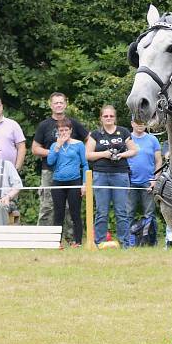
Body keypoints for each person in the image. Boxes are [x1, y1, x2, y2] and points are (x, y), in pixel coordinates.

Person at [32, 92, 89, 231]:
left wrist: (79, 155)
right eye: (55, 102)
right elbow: (35, 149)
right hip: (49, 170)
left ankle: (71, 238)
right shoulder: (44, 125)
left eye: (61, 102)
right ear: (51, 105)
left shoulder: (73, 123)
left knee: (71, 207)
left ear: (66, 104)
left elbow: (89, 139)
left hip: (71, 173)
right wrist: (55, 152)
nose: (58, 105)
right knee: (47, 205)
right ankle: (45, 236)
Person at [85, 105, 137, 248]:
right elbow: (88, 154)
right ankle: (99, 242)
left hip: (120, 174)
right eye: (105, 116)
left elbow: (134, 150)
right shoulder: (96, 134)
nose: (108, 118)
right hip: (101, 174)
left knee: (122, 210)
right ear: (101, 118)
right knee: (101, 210)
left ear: (115, 118)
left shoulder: (123, 132)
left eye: (111, 116)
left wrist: (120, 155)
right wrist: (104, 154)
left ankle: (125, 243)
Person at [47, 119, 88, 248]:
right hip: (58, 182)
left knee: (75, 212)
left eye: (66, 130)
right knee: (58, 213)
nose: (64, 132)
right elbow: (50, 162)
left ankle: (78, 242)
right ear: (57, 132)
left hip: (74, 181)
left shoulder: (79, 144)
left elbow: (85, 164)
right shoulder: (54, 146)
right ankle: (56, 242)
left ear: (70, 130)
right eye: (61, 130)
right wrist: (58, 146)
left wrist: (84, 184)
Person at [127, 119, 162, 241]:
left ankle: (151, 241)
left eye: (142, 122)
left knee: (149, 214)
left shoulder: (153, 139)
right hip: (129, 182)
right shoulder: (127, 139)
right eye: (137, 122)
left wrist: (155, 180)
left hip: (148, 182)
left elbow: (158, 162)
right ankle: (129, 242)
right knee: (128, 213)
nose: (140, 124)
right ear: (132, 123)